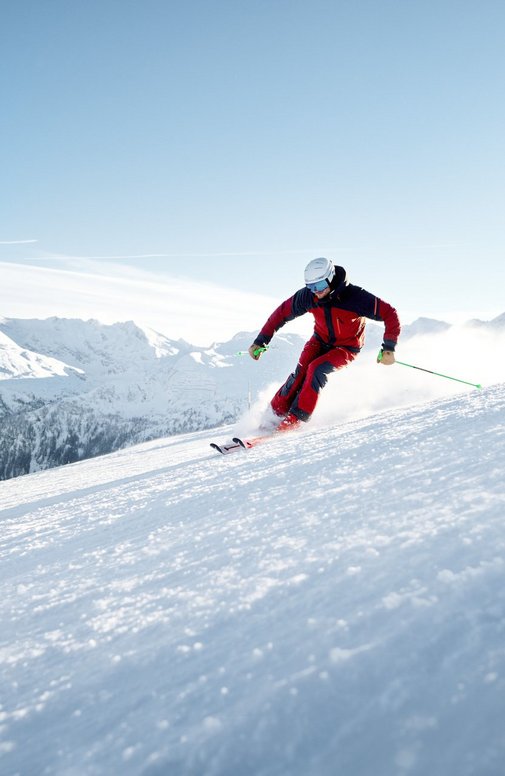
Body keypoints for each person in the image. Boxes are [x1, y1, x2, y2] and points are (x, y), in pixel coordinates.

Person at [248, 257, 401, 432]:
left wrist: (389, 347)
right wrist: (260, 341)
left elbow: (390, 314)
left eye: (319, 286)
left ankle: (294, 421)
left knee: (316, 369)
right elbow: (281, 314)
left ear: (331, 277)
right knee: (300, 373)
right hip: (319, 341)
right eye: (311, 287)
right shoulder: (309, 296)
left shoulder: (355, 297)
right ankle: (272, 416)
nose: (315, 292)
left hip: (346, 348)